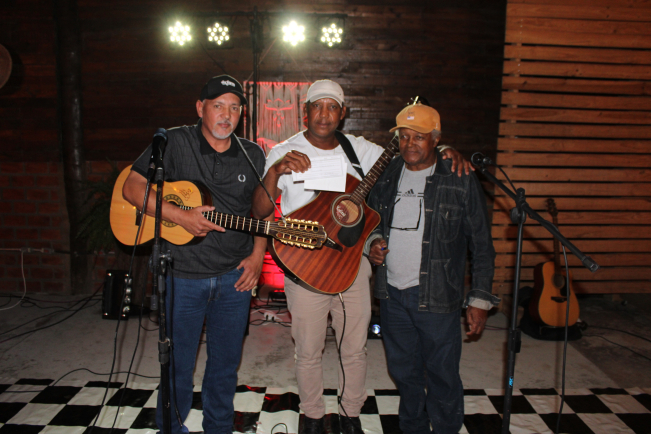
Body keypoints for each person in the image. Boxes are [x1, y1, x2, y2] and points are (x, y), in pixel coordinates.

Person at [251, 80, 472, 434]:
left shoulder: (359, 150)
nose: (324, 115)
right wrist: (275, 170)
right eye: (317, 106)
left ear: (343, 112)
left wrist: (443, 147)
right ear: (305, 111)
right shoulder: (283, 150)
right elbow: (260, 210)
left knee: (354, 349)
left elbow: (411, 152)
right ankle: (312, 416)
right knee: (307, 351)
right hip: (304, 269)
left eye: (332, 107)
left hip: (351, 265)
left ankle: (350, 414)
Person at [122, 75, 267, 434]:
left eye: (235, 108)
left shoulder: (252, 155)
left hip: (234, 277)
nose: (227, 115)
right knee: (177, 364)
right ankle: (172, 428)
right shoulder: (173, 141)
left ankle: (219, 428)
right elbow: (132, 187)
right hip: (182, 275)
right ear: (201, 108)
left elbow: (261, 214)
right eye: (218, 106)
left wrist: (257, 257)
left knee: (225, 366)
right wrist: (179, 216)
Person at [366, 102, 500, 434]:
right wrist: (374, 241)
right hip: (392, 295)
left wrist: (480, 299)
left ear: (436, 139)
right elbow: (371, 217)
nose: (410, 144)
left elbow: (481, 243)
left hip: (438, 297)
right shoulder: (389, 172)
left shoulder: (459, 177)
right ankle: (413, 428)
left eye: (419, 137)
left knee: (442, 375)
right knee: (404, 373)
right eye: (404, 136)